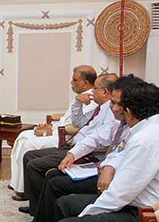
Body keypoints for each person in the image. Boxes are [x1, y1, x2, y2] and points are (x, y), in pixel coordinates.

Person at [55, 75, 159, 222]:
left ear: (128, 111)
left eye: (115, 102)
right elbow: (120, 151)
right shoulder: (145, 127)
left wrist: (85, 215)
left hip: (141, 210)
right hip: (130, 198)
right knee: (63, 203)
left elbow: (119, 195)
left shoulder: (144, 139)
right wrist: (109, 165)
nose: (112, 107)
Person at [33, 73, 132, 222]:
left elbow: (127, 179)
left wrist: (109, 167)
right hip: (97, 164)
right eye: (112, 103)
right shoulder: (118, 118)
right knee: (53, 175)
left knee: (55, 185)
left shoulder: (141, 134)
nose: (113, 108)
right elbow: (95, 136)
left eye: (116, 103)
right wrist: (73, 154)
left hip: (109, 178)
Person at [9, 65, 98, 201]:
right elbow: (74, 119)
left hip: (67, 136)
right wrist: (50, 127)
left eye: (74, 80)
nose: (71, 83)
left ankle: (24, 190)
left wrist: (51, 131)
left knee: (28, 144)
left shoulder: (92, 98)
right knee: (22, 136)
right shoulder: (81, 96)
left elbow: (78, 125)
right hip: (60, 130)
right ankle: (17, 183)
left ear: (85, 82)